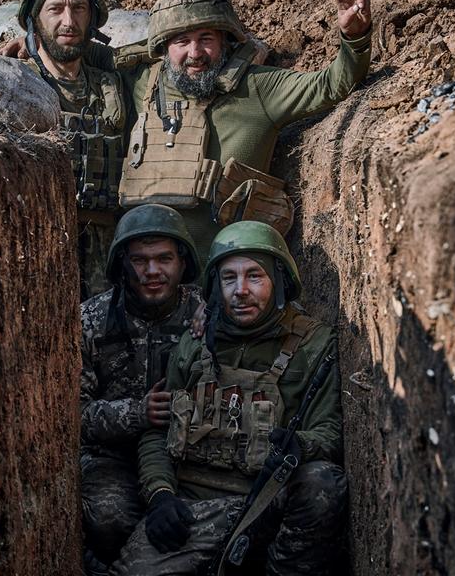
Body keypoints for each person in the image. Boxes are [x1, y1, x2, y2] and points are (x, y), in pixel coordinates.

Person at [111, 221, 345, 576]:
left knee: (322, 482)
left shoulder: (314, 346)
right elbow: (158, 431)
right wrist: (160, 495)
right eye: (229, 278)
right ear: (216, 288)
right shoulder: (195, 341)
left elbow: (330, 431)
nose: (241, 291)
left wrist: (299, 444)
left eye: (255, 277)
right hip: (196, 506)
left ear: (278, 281)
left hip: (269, 501)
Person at [116, 0, 373, 262]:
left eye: (206, 39)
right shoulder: (141, 84)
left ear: (225, 40)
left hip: (227, 279)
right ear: (164, 48)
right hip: (148, 278)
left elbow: (330, 85)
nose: (195, 53)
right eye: (182, 41)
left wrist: (354, 38)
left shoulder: (257, 87)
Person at [79, 204, 205, 573]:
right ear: (122, 264)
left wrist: (217, 313)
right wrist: (137, 413)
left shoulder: (207, 310)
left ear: (183, 262)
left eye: (164, 258)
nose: (152, 271)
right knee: (110, 517)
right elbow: (71, 416)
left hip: (191, 453)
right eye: (140, 260)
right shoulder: (89, 321)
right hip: (111, 457)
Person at [17, 0, 125, 298]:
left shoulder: (114, 84)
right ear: (35, 19)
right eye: (55, 9)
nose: (68, 20)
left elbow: (166, 56)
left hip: (109, 251)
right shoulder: (18, 84)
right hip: (41, 244)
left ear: (92, 18)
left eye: (79, 8)